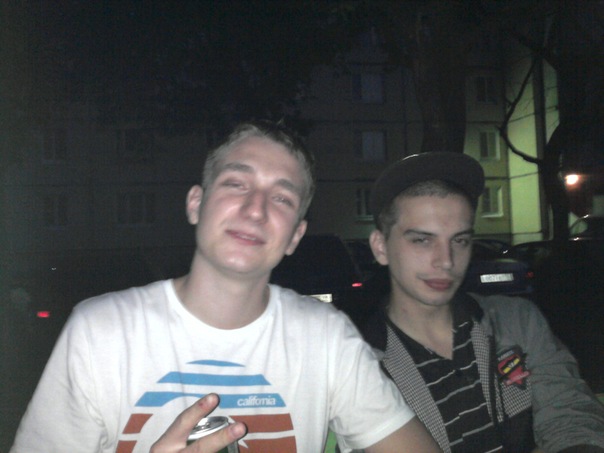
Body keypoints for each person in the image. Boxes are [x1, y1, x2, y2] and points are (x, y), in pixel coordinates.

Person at [11, 121, 440, 452]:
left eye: (282, 198)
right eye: (236, 183)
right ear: (195, 204)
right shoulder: (100, 331)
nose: (255, 209)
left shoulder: (327, 338)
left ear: (295, 236)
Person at [362, 152, 604, 453]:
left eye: (460, 240)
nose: (446, 260)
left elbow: (570, 413)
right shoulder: (361, 367)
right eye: (422, 240)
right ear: (381, 247)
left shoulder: (515, 322)